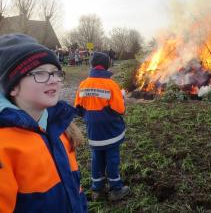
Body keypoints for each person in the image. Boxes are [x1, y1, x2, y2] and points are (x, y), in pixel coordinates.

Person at [0, 34, 87, 212]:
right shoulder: (4, 146)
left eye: (56, 72)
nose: (54, 79)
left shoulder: (61, 129)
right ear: (13, 87)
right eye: (40, 73)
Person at [74, 51, 129, 201]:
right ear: (107, 66)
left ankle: (97, 190)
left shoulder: (83, 84)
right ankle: (116, 189)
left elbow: (78, 109)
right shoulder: (111, 85)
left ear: (91, 65)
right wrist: (122, 98)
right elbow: (120, 109)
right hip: (111, 132)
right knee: (112, 159)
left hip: (94, 133)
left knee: (96, 158)